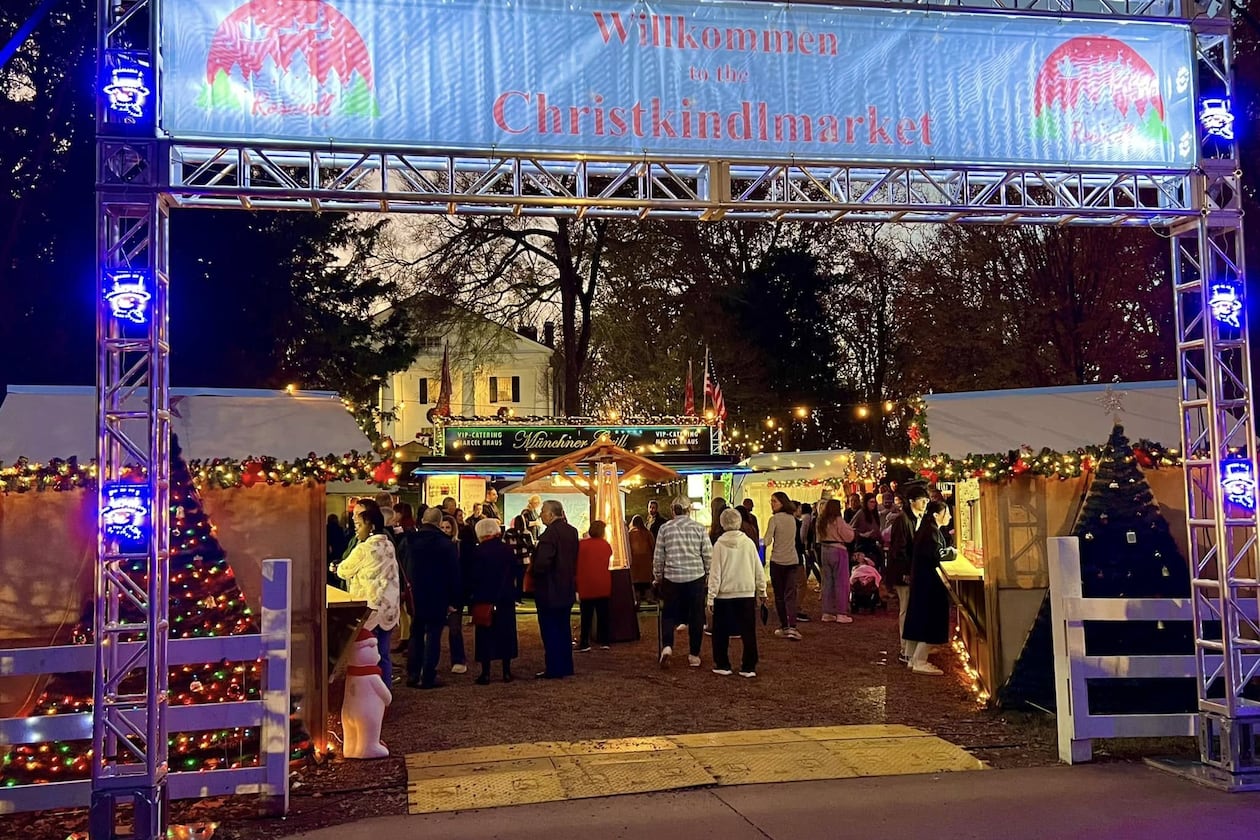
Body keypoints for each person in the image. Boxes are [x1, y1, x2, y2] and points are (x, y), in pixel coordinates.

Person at [336, 505, 401, 686]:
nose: (356, 528)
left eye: (359, 524)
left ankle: (367, 694)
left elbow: (343, 570)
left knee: (366, 655)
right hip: (389, 609)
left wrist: (335, 567)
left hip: (369, 609)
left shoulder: (364, 549)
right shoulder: (389, 545)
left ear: (370, 525)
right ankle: (385, 693)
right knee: (384, 654)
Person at [405, 507, 463, 689]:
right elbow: (454, 574)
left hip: (415, 594)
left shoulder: (409, 541)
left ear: (422, 520)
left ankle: (413, 673)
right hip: (438, 595)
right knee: (433, 634)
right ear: (439, 523)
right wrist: (455, 600)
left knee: (415, 633)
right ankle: (428, 675)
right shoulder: (446, 544)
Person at [653, 495, 712, 667]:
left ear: (673, 510)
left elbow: (659, 557)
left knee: (669, 613)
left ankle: (667, 646)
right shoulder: (699, 528)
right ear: (688, 510)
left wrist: (657, 577)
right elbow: (708, 555)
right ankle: (694, 654)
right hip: (695, 577)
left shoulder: (665, 529)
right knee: (696, 615)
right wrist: (709, 575)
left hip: (672, 578)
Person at [707, 507, 767, 678]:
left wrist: (710, 597)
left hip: (724, 594)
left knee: (720, 632)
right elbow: (758, 568)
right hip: (746, 592)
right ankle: (749, 666)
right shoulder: (748, 543)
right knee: (748, 631)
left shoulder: (719, 544)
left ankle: (722, 663)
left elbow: (715, 573)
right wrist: (761, 590)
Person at [903, 500, 958, 675]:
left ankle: (912, 657)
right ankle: (919, 660)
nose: (949, 516)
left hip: (922, 583)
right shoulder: (930, 532)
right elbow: (937, 554)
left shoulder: (928, 530)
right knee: (930, 620)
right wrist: (952, 552)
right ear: (936, 515)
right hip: (929, 584)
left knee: (920, 619)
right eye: (946, 513)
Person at [468, 518, 521, 684]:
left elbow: (473, 577)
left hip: (484, 597)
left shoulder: (477, 552)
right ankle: (506, 671)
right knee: (506, 633)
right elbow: (515, 573)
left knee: (485, 635)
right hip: (505, 597)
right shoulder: (507, 550)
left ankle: (486, 673)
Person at [531, 499, 579, 678]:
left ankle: (554, 667)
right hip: (566, 587)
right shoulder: (572, 532)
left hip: (549, 589)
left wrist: (535, 571)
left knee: (550, 630)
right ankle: (566, 665)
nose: (541, 514)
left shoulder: (549, 535)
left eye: (543, 511)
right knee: (563, 628)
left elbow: (542, 563)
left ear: (550, 514)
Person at [888, 484, 930, 663]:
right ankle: (905, 648)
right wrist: (905, 571)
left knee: (909, 609)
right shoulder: (903, 520)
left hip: (911, 570)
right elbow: (899, 548)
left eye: (927, 500)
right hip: (903, 572)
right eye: (923, 500)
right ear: (912, 501)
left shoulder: (916, 518)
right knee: (905, 609)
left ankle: (909, 647)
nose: (925, 504)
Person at [764, 492, 803, 639]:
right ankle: (792, 626)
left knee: (779, 596)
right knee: (790, 594)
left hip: (778, 561)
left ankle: (784, 625)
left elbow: (767, 540)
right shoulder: (792, 519)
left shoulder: (774, 519)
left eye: (774, 501)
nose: (772, 504)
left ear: (781, 503)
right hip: (792, 560)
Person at [815, 497, 856, 624]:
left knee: (827, 582)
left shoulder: (821, 521)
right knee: (841, 582)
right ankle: (841, 612)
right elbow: (849, 537)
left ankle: (827, 612)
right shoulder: (838, 520)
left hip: (824, 550)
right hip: (838, 550)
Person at [576, 520, 613, 652]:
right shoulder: (606, 545)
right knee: (603, 614)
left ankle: (584, 641)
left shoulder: (581, 545)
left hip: (586, 584)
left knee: (586, 615)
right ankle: (605, 641)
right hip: (603, 583)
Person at [851, 493, 885, 570]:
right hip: (862, 545)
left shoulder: (874, 514)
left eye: (874, 502)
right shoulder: (861, 513)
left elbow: (876, 530)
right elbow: (851, 528)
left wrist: (881, 540)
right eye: (871, 502)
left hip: (873, 544)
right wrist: (862, 534)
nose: (873, 504)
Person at [627, 515, 656, 604]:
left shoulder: (630, 534)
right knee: (647, 583)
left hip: (634, 564)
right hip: (646, 563)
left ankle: (637, 599)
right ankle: (649, 598)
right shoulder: (647, 533)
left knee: (636, 584)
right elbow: (653, 546)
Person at [326, 514, 348, 588]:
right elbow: (342, 540)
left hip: (330, 551)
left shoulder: (327, 528)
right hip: (338, 550)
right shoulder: (340, 529)